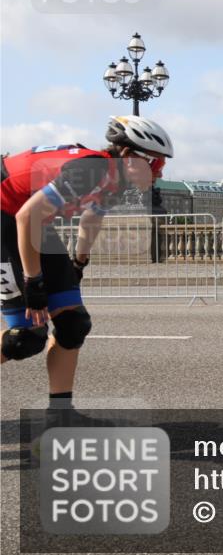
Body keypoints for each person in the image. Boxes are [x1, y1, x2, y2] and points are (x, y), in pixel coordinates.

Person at [1, 115, 173, 424]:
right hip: (7, 217)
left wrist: (79, 263)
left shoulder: (115, 180)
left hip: (32, 221)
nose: (160, 171)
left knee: (73, 323)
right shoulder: (91, 169)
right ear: (131, 157)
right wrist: (33, 282)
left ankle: (60, 416)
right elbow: (26, 217)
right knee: (26, 338)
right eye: (157, 163)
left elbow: (90, 220)